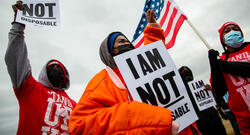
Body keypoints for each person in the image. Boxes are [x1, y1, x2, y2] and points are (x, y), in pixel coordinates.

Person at [69, 10, 179, 135]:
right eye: (121, 42)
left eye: (128, 41)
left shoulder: (142, 66)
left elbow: (154, 52)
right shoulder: (103, 81)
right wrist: (158, 121)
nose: (127, 43)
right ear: (110, 52)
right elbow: (80, 125)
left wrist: (153, 28)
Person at [5, 1, 77, 134]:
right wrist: (18, 25)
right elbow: (15, 58)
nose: (56, 69)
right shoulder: (29, 89)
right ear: (45, 73)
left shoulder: (75, 105)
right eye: (52, 67)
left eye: (59, 67)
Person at [208, 21, 250, 134]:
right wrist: (213, 63)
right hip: (245, 121)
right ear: (222, 40)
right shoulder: (221, 59)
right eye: (227, 31)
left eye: (235, 29)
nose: (232, 32)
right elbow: (219, 91)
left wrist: (228, 66)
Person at [178, 66, 227, 135]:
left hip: (213, 116)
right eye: (183, 70)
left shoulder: (200, 85)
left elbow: (215, 100)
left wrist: (211, 91)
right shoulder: (181, 92)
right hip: (199, 121)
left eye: (187, 69)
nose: (186, 71)